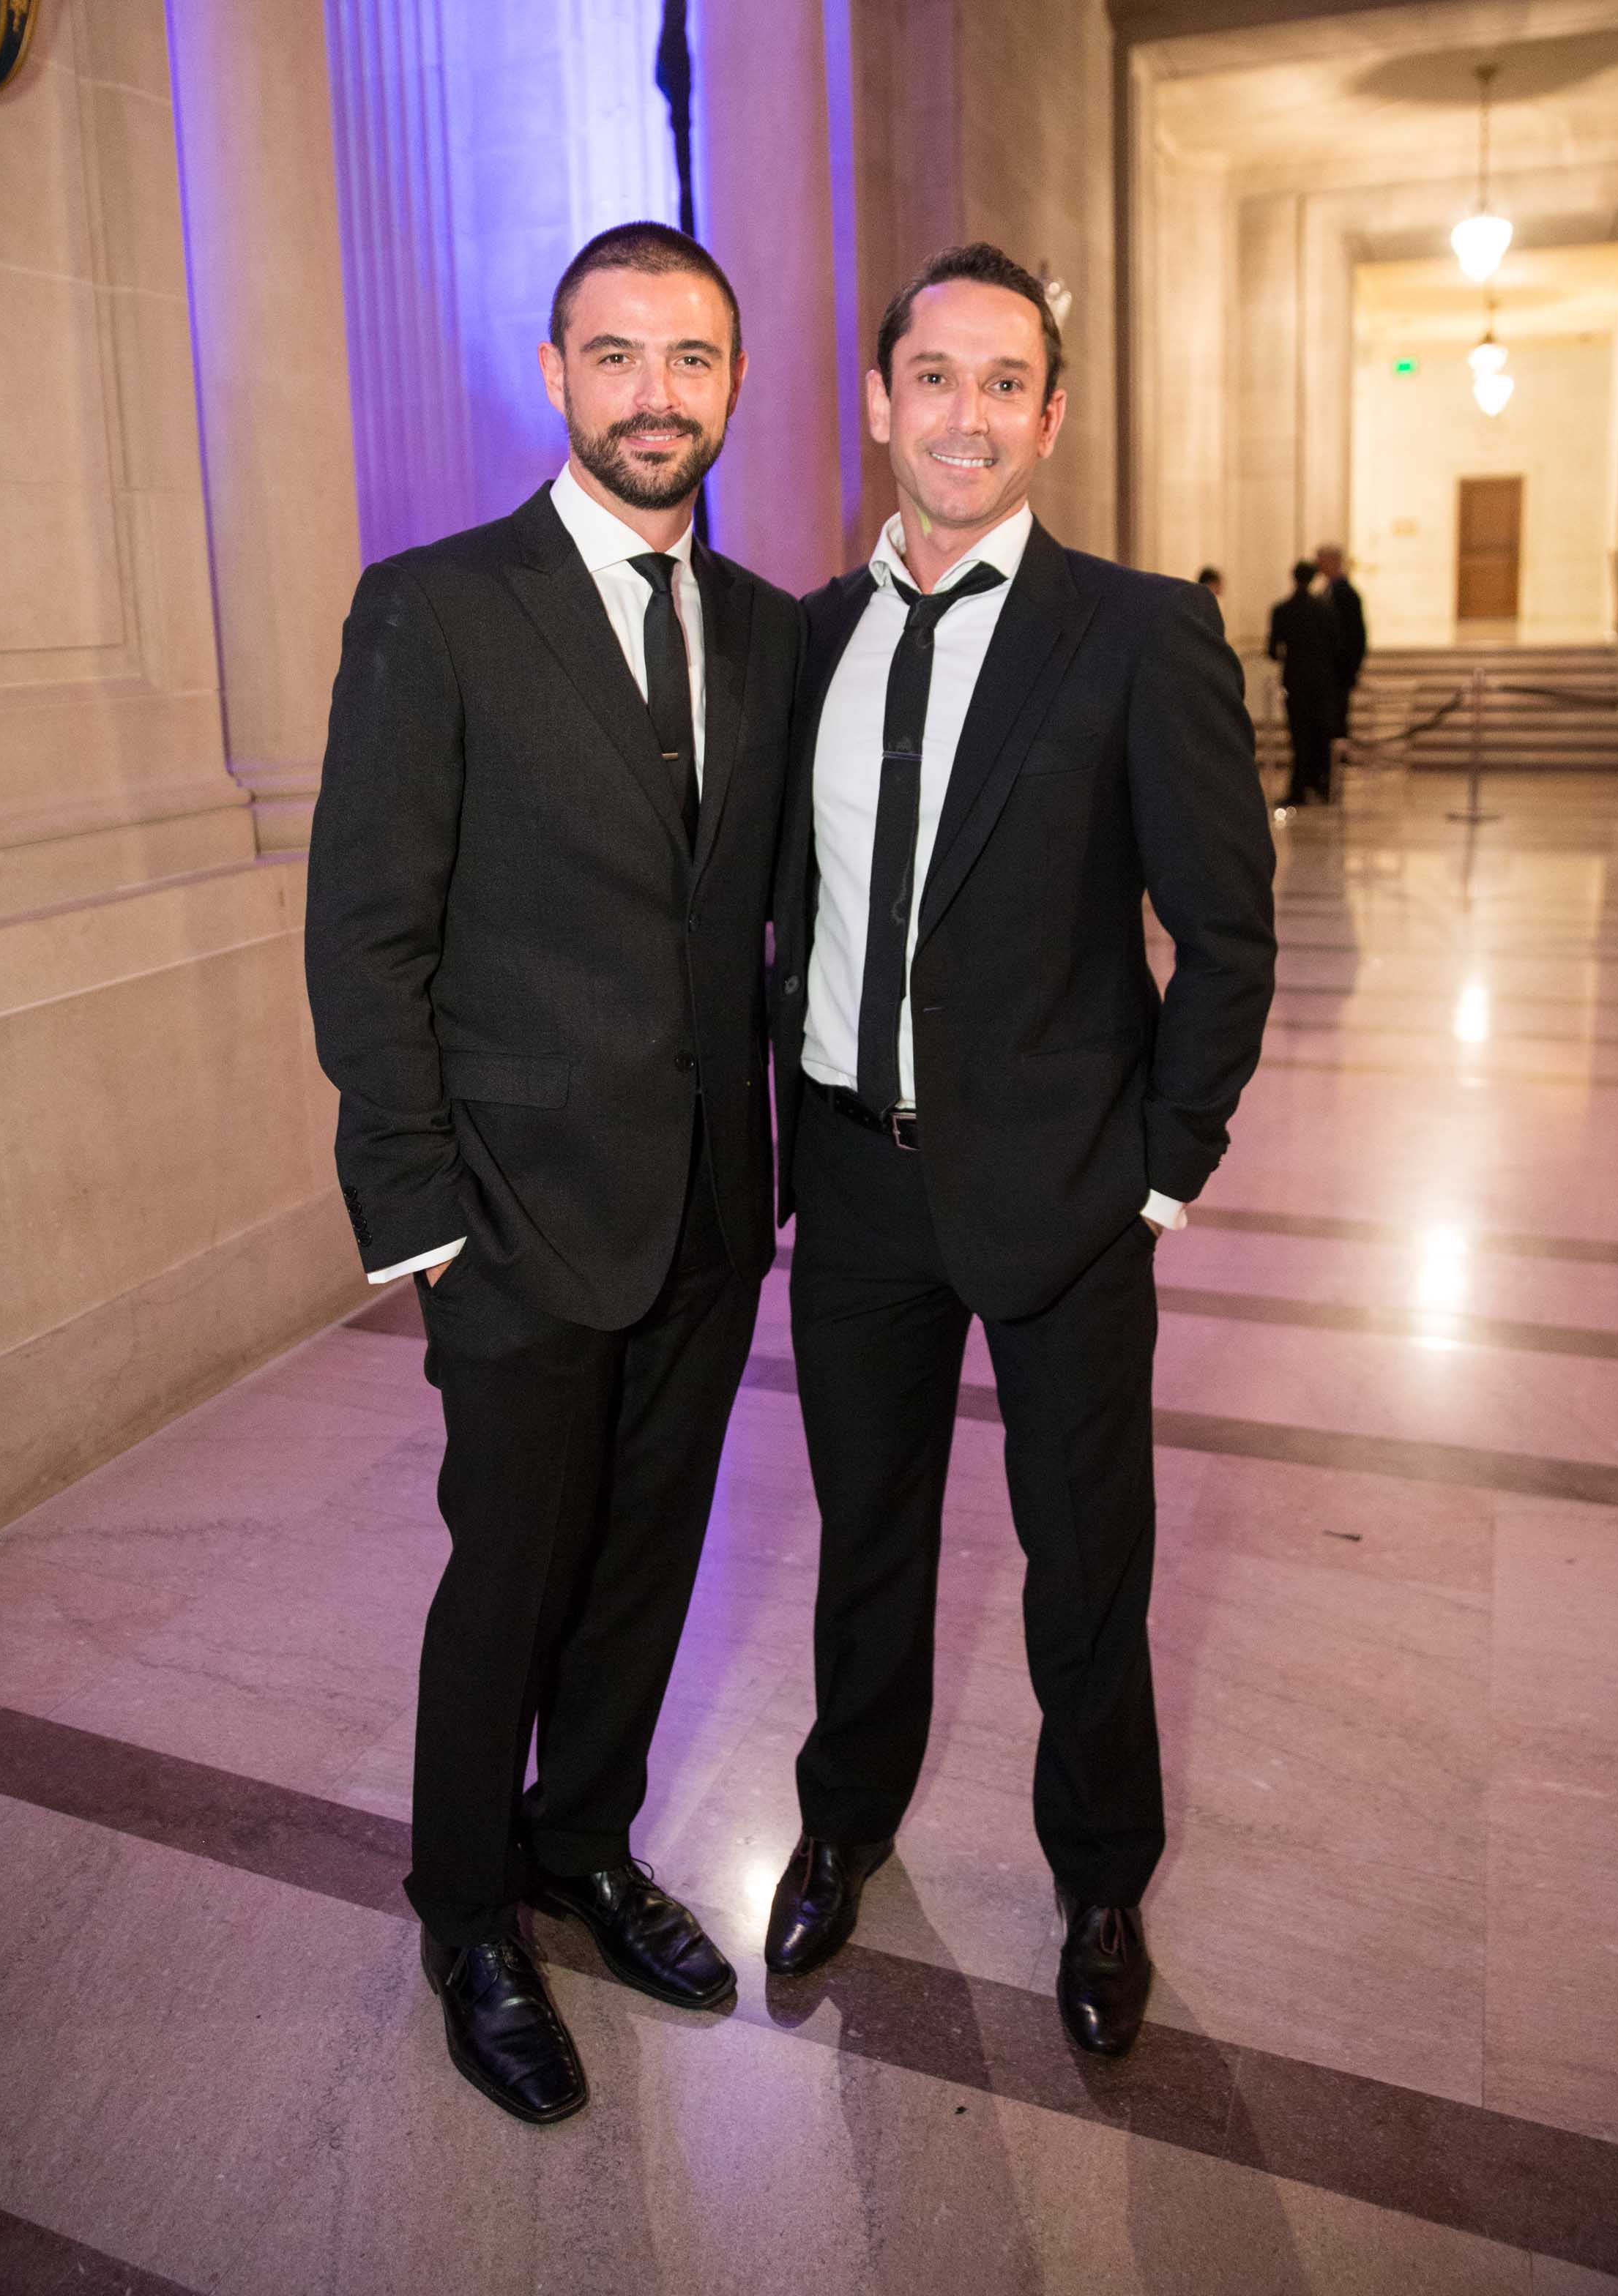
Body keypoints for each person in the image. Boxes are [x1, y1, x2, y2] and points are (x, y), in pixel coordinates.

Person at [306, 223, 802, 2125]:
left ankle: (580, 1844)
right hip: (511, 1220)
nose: (655, 394)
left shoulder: (766, 627)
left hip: (703, 1213)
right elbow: (371, 935)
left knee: (647, 1568)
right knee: (506, 1577)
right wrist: (417, 1214)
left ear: (733, 384)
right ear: (554, 374)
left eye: (691, 359)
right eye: (617, 356)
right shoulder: (436, 609)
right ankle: (465, 1915)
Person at [764, 242, 1276, 2057]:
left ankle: (1098, 1876)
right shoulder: (803, 636)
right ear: (880, 402)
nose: (962, 413)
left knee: (1082, 1560)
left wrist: (1159, 1167)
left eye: (1002, 381)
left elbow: (1223, 929)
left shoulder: (1135, 631)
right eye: (931, 376)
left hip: (1060, 1191)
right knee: (864, 1539)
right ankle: (841, 1820)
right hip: (849, 1181)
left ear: (1045, 416)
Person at [1267, 559, 1338, 807]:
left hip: (1296, 682)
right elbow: (1335, 647)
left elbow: (1273, 651)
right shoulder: (1325, 609)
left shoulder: (1283, 610)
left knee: (1299, 737)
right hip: (1321, 682)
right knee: (1321, 734)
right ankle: (1323, 787)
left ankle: (1299, 789)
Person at [1314, 545, 1367, 734]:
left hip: (1339, 669)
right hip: (1327, 670)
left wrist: (1351, 667)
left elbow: (1356, 634)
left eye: (1321, 561)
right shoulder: (1325, 592)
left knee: (1338, 718)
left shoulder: (1347, 594)